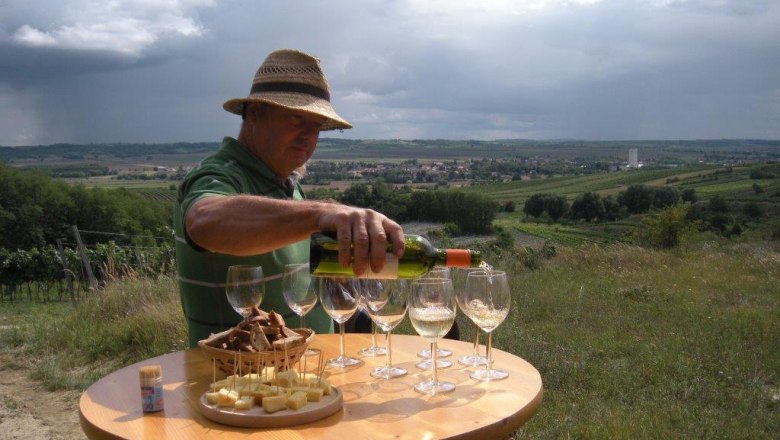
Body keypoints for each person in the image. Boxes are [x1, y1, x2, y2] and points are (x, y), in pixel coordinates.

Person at [173, 49, 405, 347]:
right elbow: (204, 221)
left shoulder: (288, 185)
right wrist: (319, 214)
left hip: (304, 380)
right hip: (234, 383)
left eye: (317, 125)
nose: (309, 135)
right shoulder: (219, 175)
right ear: (255, 113)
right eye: (296, 118)